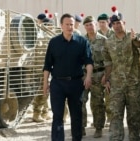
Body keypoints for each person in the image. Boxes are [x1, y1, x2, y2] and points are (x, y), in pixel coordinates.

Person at [43, 13, 93, 141]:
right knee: (58, 117)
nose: (70, 27)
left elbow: (89, 61)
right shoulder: (54, 43)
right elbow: (47, 65)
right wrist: (45, 83)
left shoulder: (82, 42)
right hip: (58, 84)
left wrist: (88, 77)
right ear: (61, 26)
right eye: (67, 24)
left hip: (76, 84)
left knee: (76, 116)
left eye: (72, 24)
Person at [102, 11, 140, 141]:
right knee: (115, 115)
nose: (116, 26)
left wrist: (136, 39)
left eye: (119, 23)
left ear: (124, 23)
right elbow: (108, 62)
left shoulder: (132, 37)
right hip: (116, 86)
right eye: (114, 23)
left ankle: (134, 138)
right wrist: (107, 78)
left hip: (133, 85)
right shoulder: (109, 42)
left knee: (134, 116)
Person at [82, 16, 106, 138]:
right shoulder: (81, 41)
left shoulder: (104, 40)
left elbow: (109, 60)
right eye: (86, 25)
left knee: (97, 103)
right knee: (80, 101)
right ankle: (80, 127)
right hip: (84, 75)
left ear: (95, 25)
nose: (89, 27)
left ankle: (98, 127)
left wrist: (106, 76)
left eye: (91, 24)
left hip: (99, 75)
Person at [31, 13, 52, 122]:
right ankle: (37, 114)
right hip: (41, 69)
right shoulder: (46, 38)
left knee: (42, 92)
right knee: (43, 92)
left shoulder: (41, 36)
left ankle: (43, 113)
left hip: (40, 69)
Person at [97, 13, 114, 126]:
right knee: (98, 98)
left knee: (110, 96)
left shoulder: (113, 34)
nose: (102, 24)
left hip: (111, 70)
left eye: (103, 22)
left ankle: (110, 118)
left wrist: (107, 75)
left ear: (108, 22)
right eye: (100, 22)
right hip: (98, 71)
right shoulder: (96, 35)